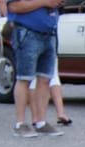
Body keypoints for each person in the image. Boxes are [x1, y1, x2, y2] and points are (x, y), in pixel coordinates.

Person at [5, 0, 62, 136]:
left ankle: (41, 122)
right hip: (27, 32)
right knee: (24, 78)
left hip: (49, 33)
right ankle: (20, 123)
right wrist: (45, 2)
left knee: (45, 78)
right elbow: (14, 6)